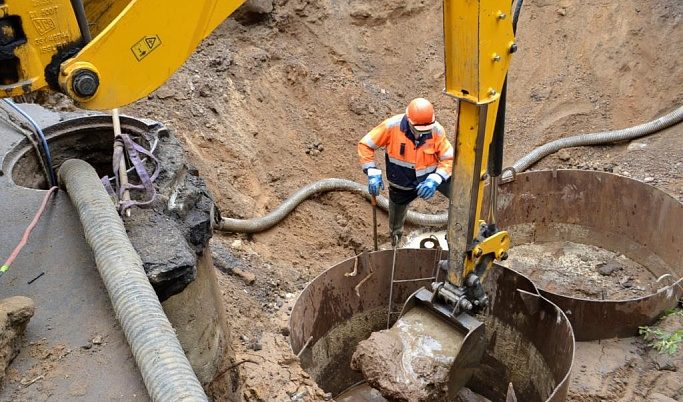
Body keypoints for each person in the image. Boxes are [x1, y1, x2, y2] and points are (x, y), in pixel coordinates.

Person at [358, 98, 454, 247]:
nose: (421, 134)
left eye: (426, 130)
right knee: (396, 220)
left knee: (461, 197)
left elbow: (448, 158)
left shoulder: (436, 130)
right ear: (409, 121)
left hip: (432, 178)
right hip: (401, 182)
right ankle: (396, 244)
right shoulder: (391, 127)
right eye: (418, 130)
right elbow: (365, 145)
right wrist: (371, 170)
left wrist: (436, 178)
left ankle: (457, 232)